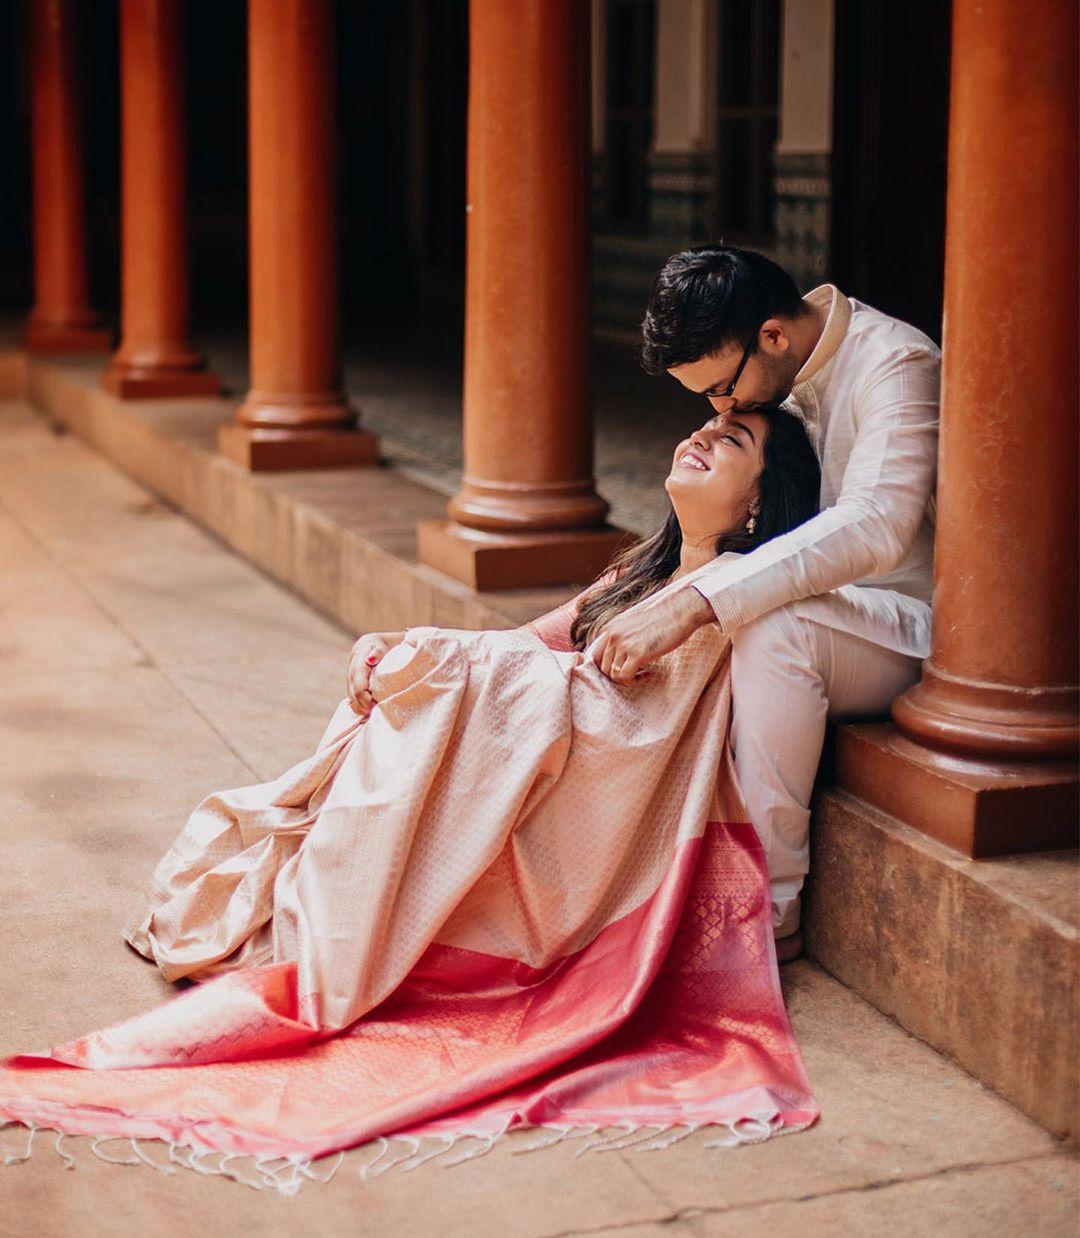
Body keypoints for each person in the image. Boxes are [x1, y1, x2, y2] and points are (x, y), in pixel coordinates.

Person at [0, 408, 826, 1172]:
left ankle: (347, 928)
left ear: (756, 508)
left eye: (735, 441)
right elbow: (526, 647)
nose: (705, 436)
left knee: (445, 697)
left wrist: (451, 673)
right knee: (428, 688)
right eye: (709, 422)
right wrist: (418, 653)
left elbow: (633, 734)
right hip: (543, 757)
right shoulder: (640, 571)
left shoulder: (723, 603)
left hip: (576, 802)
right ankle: (335, 902)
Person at [586, 245, 940, 959]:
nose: (722, 411)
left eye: (722, 389)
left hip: (904, 626)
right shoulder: (772, 375)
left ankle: (765, 911)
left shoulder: (895, 364)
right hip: (816, 607)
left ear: (774, 336)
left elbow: (877, 523)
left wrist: (697, 602)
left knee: (770, 620)